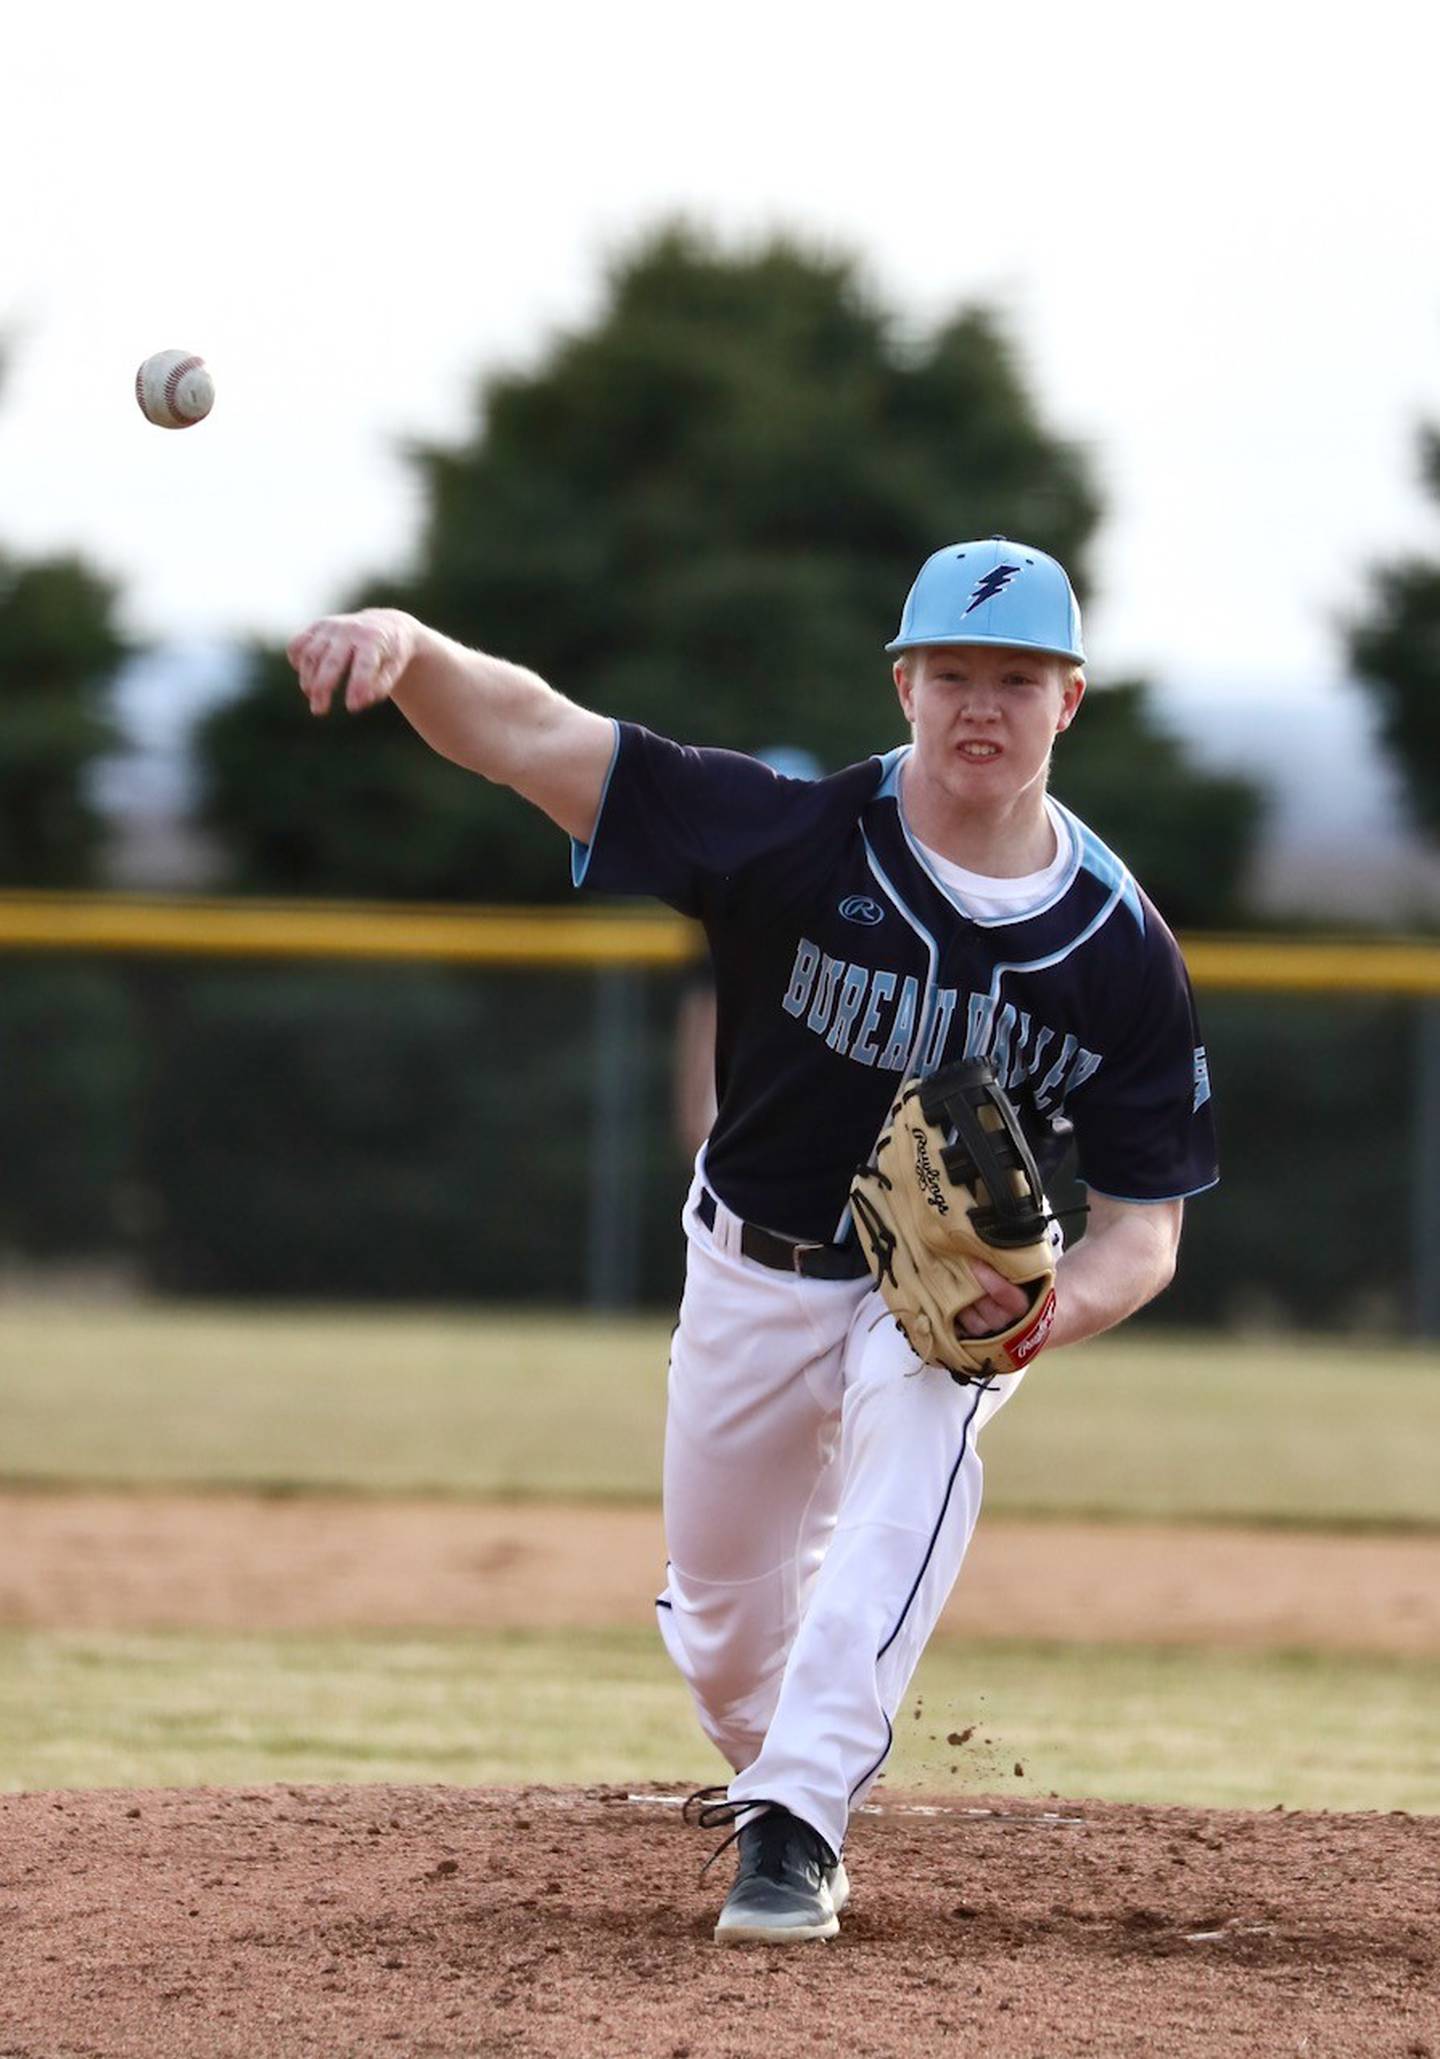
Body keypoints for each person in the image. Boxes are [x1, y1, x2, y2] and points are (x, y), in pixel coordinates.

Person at [288, 536, 1217, 1946]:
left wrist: (1036, 1319)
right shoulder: (786, 833)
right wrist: (411, 646)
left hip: (935, 1300)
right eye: (954, 673)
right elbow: (538, 736)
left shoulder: (1116, 945)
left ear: (1069, 701)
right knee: (728, 1636)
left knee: (915, 1458)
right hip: (752, 1266)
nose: (984, 706)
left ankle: (795, 1830)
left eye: (1018, 679)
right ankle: (781, 1758)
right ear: (903, 683)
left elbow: (1143, 1234)